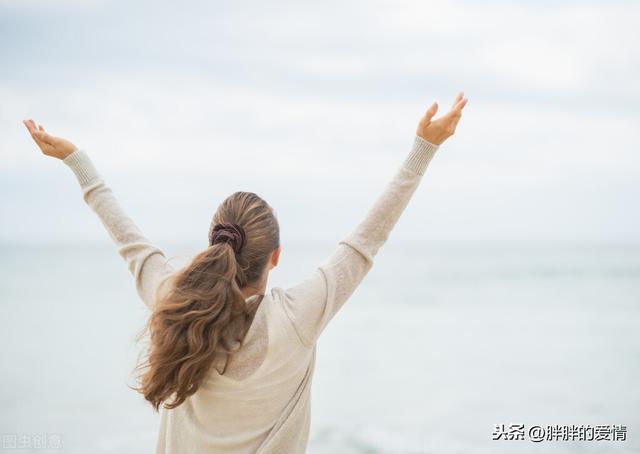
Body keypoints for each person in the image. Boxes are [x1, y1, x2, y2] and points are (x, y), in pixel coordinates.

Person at [23, 92, 468, 454]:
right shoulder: (296, 317)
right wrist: (422, 150)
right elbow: (365, 241)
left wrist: (77, 161)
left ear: (214, 244)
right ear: (275, 256)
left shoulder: (172, 302)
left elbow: (128, 240)